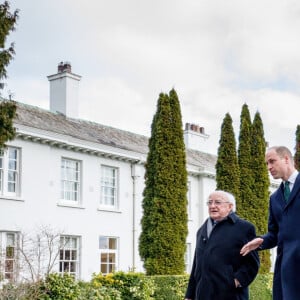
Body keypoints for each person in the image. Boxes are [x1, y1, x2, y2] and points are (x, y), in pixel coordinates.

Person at [240, 146, 300, 300]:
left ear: (286, 159)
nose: (269, 167)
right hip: (286, 271)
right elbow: (275, 234)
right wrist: (261, 241)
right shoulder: (274, 198)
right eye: (267, 163)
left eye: (272, 161)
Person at [185, 190, 259, 300]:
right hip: (202, 294)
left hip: (230, 295)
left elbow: (252, 264)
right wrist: (189, 295)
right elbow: (197, 264)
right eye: (209, 202)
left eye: (217, 202)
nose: (212, 206)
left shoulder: (244, 228)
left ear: (230, 206)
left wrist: (235, 282)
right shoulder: (202, 230)